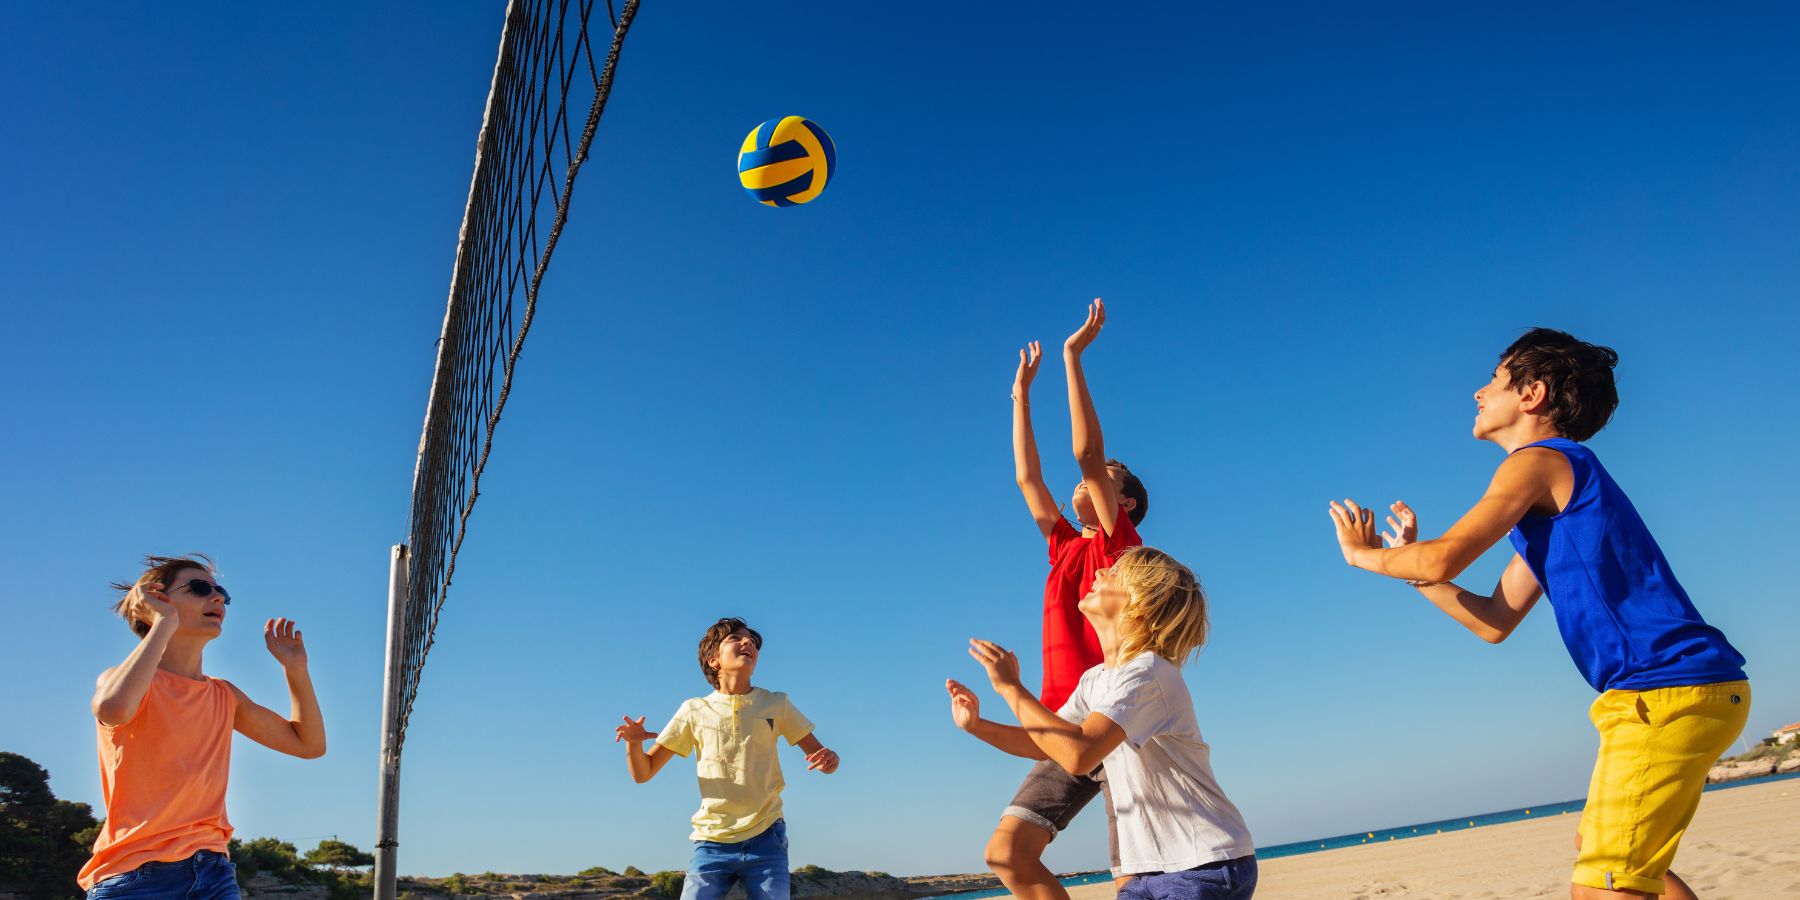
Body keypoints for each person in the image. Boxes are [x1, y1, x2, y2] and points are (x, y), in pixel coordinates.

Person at [1328, 328, 1749, 899]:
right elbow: (1492, 621)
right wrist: (1415, 570)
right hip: (1676, 690)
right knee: (1612, 861)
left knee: (1603, 886)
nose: (1478, 392)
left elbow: (1446, 554)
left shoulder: (1538, 462)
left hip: (1665, 689)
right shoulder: (1551, 510)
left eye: (1494, 380)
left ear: (1533, 394)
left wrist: (1364, 555)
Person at [949, 546, 1257, 899]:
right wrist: (977, 726)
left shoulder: (1149, 673)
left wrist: (1011, 688)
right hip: (1148, 872)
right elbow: (1047, 744)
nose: (1098, 574)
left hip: (1203, 865)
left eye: (1113, 574)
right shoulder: (1095, 680)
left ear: (1139, 606)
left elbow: (1081, 754)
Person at [79, 554, 327, 898]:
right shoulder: (123, 682)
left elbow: (309, 745)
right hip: (136, 876)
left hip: (213, 873)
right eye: (198, 588)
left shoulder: (225, 695)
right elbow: (114, 708)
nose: (218, 598)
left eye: (220, 591)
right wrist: (163, 623)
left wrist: (296, 670)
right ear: (153, 601)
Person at [615, 617, 839, 900]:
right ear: (713, 660)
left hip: (766, 836)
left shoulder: (776, 703)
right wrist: (634, 745)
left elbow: (822, 757)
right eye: (736, 639)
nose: (747, 643)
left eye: (752, 641)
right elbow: (643, 773)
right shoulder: (694, 710)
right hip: (711, 841)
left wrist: (830, 761)